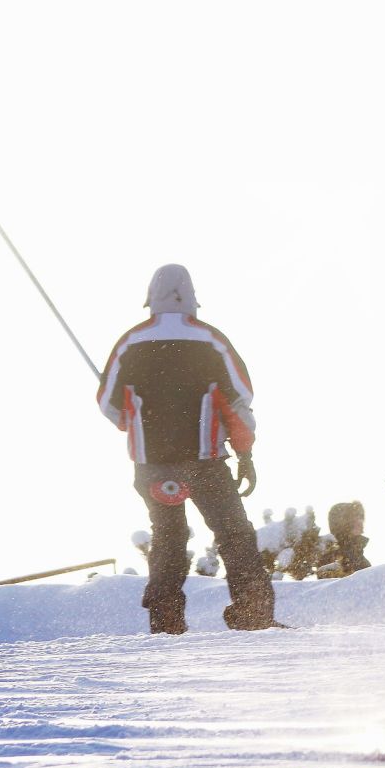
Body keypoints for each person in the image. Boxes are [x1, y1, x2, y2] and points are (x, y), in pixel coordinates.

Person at [97, 263, 276, 633]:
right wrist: (245, 454)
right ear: (193, 299)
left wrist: (135, 422)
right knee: (233, 533)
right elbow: (239, 402)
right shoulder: (211, 341)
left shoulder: (130, 343)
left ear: (150, 299)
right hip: (205, 461)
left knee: (169, 536)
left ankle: (166, 621)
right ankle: (253, 613)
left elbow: (108, 404)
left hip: (154, 465)